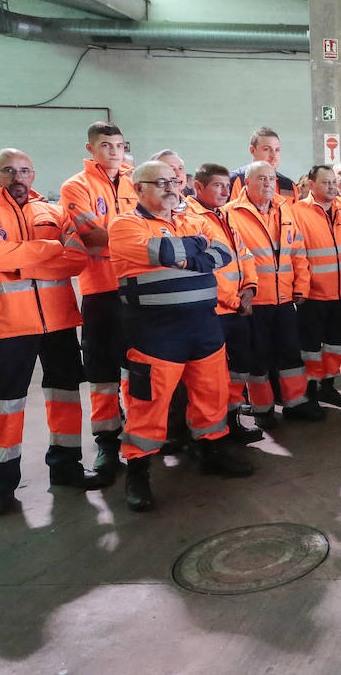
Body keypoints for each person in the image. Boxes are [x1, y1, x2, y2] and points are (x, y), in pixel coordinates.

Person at [0, 149, 108, 516]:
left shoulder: (54, 212)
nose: (18, 177)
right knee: (4, 403)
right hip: (7, 324)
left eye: (24, 171)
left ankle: (66, 466)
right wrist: (51, 250)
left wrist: (21, 259)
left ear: (34, 174)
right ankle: (0, 484)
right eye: (8, 171)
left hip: (57, 321)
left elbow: (76, 259)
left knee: (65, 395)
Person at [110, 159, 254, 512]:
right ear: (137, 188)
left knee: (212, 393)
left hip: (203, 326)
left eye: (174, 181)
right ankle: (139, 472)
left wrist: (185, 256)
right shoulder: (124, 225)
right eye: (160, 182)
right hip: (154, 333)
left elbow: (222, 253)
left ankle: (211, 451)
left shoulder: (192, 219)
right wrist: (193, 252)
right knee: (149, 403)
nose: (171, 188)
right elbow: (161, 252)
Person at [60, 121, 137, 480]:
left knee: (139, 366)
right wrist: (142, 242)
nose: (114, 152)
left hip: (139, 289)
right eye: (106, 145)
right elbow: (91, 235)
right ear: (90, 149)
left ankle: (140, 436)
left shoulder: (138, 180)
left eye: (119, 145)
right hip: (101, 292)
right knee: (103, 373)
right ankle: (107, 442)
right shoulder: (76, 186)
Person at [225, 161, 325, 425]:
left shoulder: (285, 208)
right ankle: (262, 410)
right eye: (261, 179)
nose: (268, 183)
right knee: (258, 359)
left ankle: (294, 403)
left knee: (291, 354)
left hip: (284, 301)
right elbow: (233, 260)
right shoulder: (231, 214)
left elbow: (298, 252)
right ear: (247, 183)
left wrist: (301, 287)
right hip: (254, 302)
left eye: (271, 179)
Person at [185, 163, 264, 444]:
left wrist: (249, 290)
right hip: (213, 311)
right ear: (198, 186)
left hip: (237, 308)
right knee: (210, 378)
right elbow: (201, 269)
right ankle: (210, 436)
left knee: (239, 368)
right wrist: (234, 299)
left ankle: (232, 422)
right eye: (217, 185)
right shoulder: (189, 218)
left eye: (227, 186)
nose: (224, 191)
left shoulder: (226, 216)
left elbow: (245, 255)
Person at [292, 164, 341, 407]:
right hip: (312, 294)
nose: (333, 186)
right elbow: (296, 254)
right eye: (326, 182)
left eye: (334, 181)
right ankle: (311, 387)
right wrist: (303, 285)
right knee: (311, 345)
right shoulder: (297, 212)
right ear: (311, 185)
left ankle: (329, 385)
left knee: (335, 343)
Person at [229, 126, 296, 200]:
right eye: (266, 149)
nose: (273, 156)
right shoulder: (235, 180)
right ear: (252, 150)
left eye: (277, 150)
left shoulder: (289, 186)